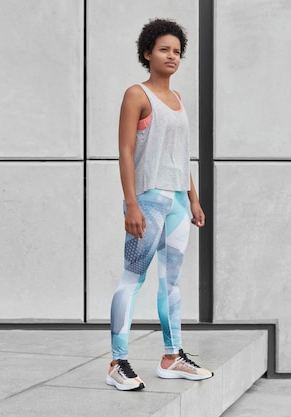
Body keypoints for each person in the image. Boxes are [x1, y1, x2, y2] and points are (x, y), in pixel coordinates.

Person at [106, 18, 213, 392]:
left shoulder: (179, 100)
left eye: (177, 52)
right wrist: (131, 203)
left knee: (172, 283)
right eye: (164, 49)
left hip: (179, 203)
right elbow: (124, 150)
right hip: (148, 200)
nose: (172, 56)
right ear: (147, 52)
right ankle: (117, 361)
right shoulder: (137, 94)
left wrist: (194, 199)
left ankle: (172, 356)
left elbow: (181, 157)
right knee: (132, 280)